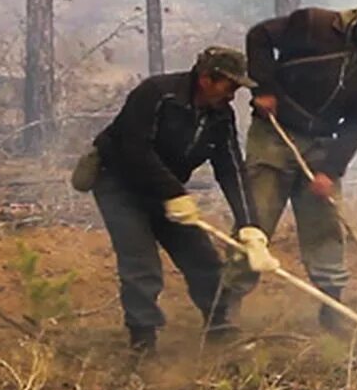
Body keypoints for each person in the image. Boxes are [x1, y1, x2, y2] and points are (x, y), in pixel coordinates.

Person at [228, 0, 357, 330]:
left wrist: (330, 170)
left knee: (325, 225)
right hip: (274, 135)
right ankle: (225, 306)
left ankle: (331, 307)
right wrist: (265, 89)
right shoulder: (314, 26)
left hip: (321, 145)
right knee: (256, 220)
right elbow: (259, 37)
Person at [82, 46, 267, 353]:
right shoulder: (156, 94)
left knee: (203, 259)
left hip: (168, 193)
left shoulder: (220, 116)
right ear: (207, 79)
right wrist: (175, 194)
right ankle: (143, 342)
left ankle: (219, 327)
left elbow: (231, 168)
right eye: (230, 86)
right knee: (141, 264)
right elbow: (134, 150)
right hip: (120, 185)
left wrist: (250, 224)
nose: (233, 94)